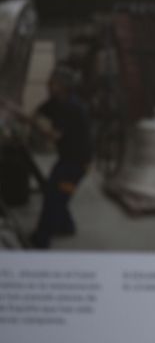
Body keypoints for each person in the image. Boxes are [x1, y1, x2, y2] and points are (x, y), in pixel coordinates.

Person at [2, 67, 93, 249]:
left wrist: (32, 124)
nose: (48, 85)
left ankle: (40, 240)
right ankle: (66, 226)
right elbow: (35, 115)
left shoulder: (72, 107)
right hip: (68, 158)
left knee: (54, 197)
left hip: (78, 163)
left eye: (53, 82)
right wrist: (12, 110)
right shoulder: (55, 102)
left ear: (64, 86)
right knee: (55, 191)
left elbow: (53, 135)